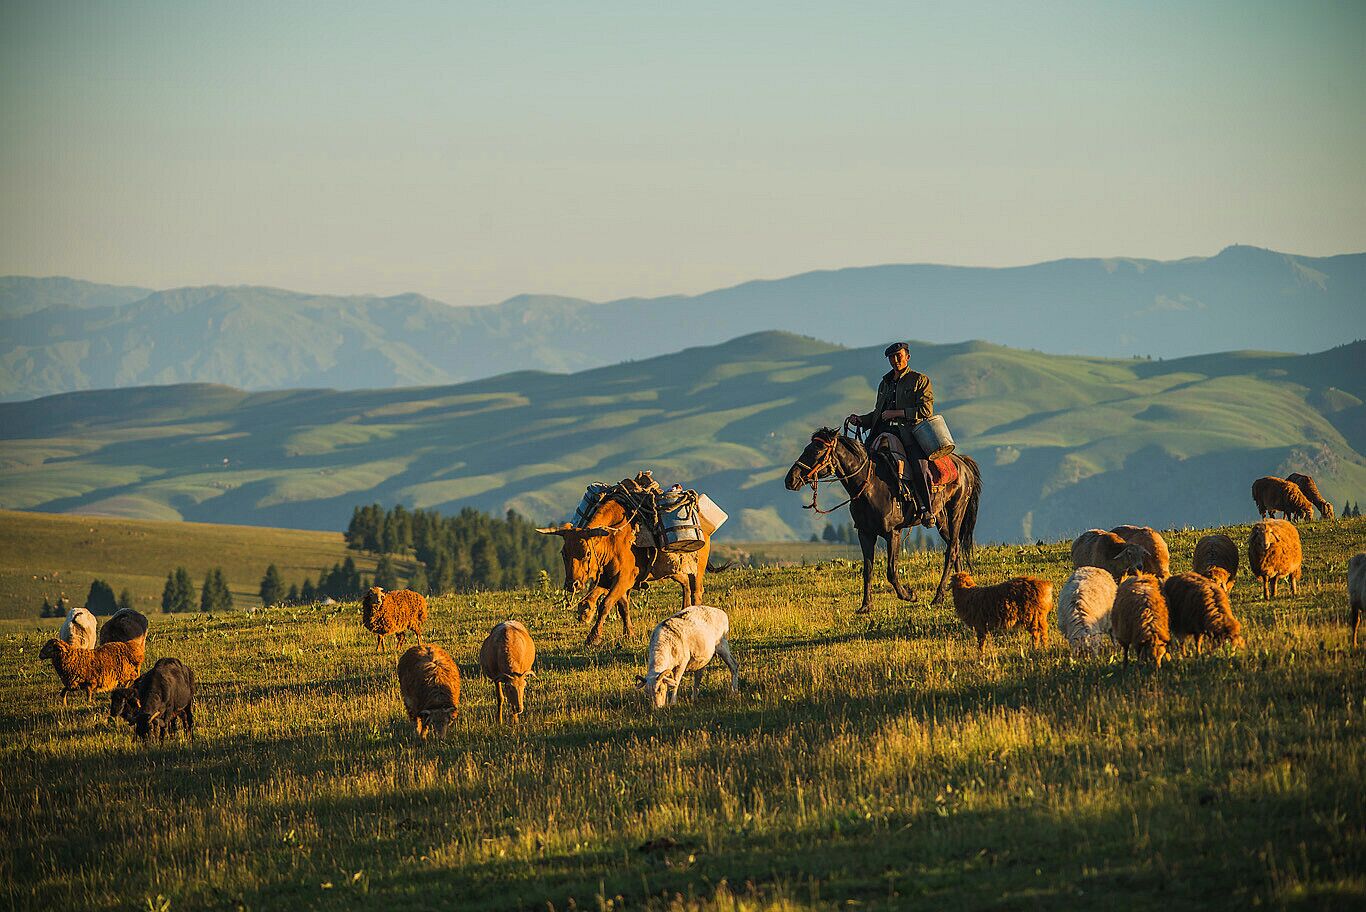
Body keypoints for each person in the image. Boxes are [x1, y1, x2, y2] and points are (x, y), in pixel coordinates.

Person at [846, 341, 935, 524]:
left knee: (919, 468)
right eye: (892, 358)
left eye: (899, 356)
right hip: (882, 432)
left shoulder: (919, 380)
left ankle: (927, 510)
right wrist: (861, 420)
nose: (895, 360)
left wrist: (897, 413)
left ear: (907, 357)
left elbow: (926, 411)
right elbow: (878, 414)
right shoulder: (884, 383)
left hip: (909, 434)